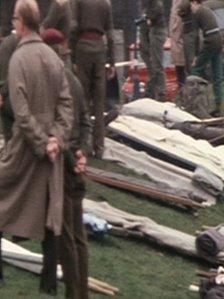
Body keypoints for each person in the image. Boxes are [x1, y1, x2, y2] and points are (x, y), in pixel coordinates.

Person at [0, 0, 73, 287]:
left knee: (5, 199)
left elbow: (21, 110)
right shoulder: (53, 57)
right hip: (50, 147)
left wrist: (44, 143)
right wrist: (57, 138)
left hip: (26, 145)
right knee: (50, 211)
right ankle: (48, 282)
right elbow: (66, 104)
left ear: (20, 21)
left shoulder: (19, 58)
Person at [40, 28, 92, 299]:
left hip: (62, 164)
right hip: (74, 162)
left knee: (66, 237)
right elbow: (86, 124)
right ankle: (80, 293)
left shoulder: (55, 83)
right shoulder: (74, 79)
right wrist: (83, 151)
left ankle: (75, 294)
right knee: (78, 238)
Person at [70, 0, 115, 159]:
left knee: (83, 100)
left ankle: (84, 144)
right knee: (99, 102)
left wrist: (73, 56)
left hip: (83, 49)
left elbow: (74, 27)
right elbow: (110, 35)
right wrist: (112, 62)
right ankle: (99, 147)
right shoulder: (106, 3)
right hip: (100, 51)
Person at [190, 0, 223, 116]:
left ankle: (198, 104)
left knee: (196, 71)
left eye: (191, 5)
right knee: (217, 75)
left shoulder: (198, 12)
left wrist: (195, 56)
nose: (191, 8)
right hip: (218, 40)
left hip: (210, 40)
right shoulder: (208, 10)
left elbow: (195, 36)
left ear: (194, 3)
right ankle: (219, 105)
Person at [145, 0, 167, 101]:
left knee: (157, 64)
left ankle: (161, 92)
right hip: (154, 31)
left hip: (157, 32)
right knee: (154, 63)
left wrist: (146, 16)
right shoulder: (151, 3)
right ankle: (152, 90)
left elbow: (150, 20)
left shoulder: (156, 4)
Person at [170, 0, 186, 86]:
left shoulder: (181, 3)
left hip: (179, 42)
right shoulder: (174, 3)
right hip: (175, 42)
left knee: (182, 69)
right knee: (179, 69)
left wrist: (175, 24)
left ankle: (184, 88)